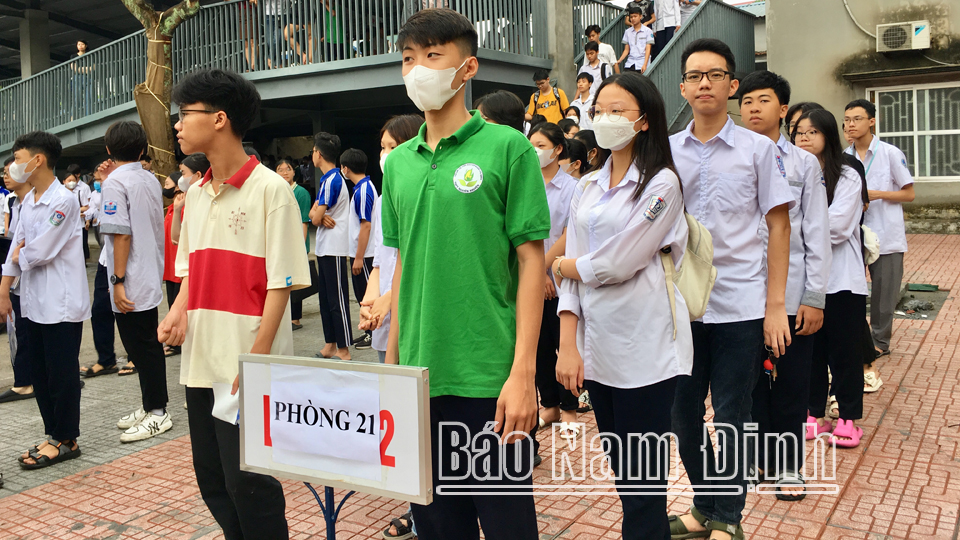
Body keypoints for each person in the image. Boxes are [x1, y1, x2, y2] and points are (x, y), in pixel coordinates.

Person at [382, 8, 550, 539]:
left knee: (507, 526)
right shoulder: (399, 164)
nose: (418, 70)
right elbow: (404, 264)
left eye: (433, 56)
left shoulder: (508, 148)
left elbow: (532, 261)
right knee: (437, 526)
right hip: (419, 378)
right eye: (409, 59)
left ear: (467, 67)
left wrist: (523, 374)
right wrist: (392, 369)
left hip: (489, 377)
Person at [159, 68, 309, 540]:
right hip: (201, 358)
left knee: (250, 484)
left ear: (220, 118)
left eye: (185, 114)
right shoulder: (196, 193)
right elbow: (192, 269)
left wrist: (257, 359)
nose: (178, 124)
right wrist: (178, 310)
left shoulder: (271, 189)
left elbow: (282, 284)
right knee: (213, 479)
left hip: (246, 363)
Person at [554, 71, 692, 540]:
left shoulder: (662, 184)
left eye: (618, 111)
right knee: (624, 473)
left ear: (644, 120)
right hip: (598, 348)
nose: (606, 119)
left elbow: (620, 262)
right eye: (599, 111)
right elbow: (577, 272)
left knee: (643, 483)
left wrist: (563, 265)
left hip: (646, 347)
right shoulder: (588, 186)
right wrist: (567, 344)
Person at [668, 39, 795, 540]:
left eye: (715, 75)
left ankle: (728, 517)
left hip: (740, 304)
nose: (704, 83)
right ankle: (705, 506)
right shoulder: (666, 151)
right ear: (682, 87)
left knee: (732, 415)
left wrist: (776, 306)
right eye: (694, 75)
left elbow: (779, 226)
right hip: (680, 306)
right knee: (682, 414)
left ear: (732, 85)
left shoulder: (759, 150)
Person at [739, 71, 830, 501]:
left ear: (783, 109)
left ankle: (790, 464)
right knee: (746, 384)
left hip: (792, 296)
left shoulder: (803, 164)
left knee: (792, 382)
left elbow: (817, 232)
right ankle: (755, 459)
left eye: (763, 100)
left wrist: (814, 297)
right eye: (747, 101)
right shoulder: (731, 158)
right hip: (741, 296)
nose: (754, 108)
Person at [0, 131, 91, 470]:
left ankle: (67, 439)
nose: (13, 165)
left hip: (60, 303)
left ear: (37, 160)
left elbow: (40, 251)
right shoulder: (28, 201)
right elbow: (18, 246)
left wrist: (22, 253)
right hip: (33, 301)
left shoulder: (62, 200)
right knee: (39, 373)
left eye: (18, 158)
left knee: (61, 374)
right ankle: (52, 433)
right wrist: (4, 288)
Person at [363, 114, 425, 540]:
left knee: (416, 418)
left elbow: (413, 266)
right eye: (382, 148)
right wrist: (371, 301)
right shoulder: (386, 194)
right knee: (398, 418)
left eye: (392, 147)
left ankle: (423, 512)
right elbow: (380, 262)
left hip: (410, 320)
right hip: (386, 318)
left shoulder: (421, 190)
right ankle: (417, 507)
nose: (385, 156)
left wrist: (390, 300)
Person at [796, 109, 868, 449]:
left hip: (842, 281)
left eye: (812, 132)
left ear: (827, 135)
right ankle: (814, 413)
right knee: (812, 352)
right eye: (798, 132)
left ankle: (848, 418)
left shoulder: (847, 174)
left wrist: (794, 229)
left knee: (845, 353)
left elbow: (837, 227)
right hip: (806, 280)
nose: (804, 138)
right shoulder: (791, 172)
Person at [97, 121, 171, 443]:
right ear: (143, 149)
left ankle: (158, 411)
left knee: (142, 347)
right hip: (148, 269)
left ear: (109, 149)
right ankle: (150, 404)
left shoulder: (116, 182)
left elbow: (121, 234)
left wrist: (118, 280)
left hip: (130, 275)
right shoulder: (148, 178)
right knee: (144, 345)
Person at [843, 99, 914, 360]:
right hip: (854, 234)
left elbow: (909, 194)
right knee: (850, 290)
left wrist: (876, 194)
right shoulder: (844, 157)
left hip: (886, 234)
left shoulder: (890, 153)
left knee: (884, 294)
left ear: (872, 121)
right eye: (847, 120)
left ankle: (880, 342)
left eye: (857, 119)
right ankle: (854, 340)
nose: (850, 124)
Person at [526, 121, 579, 438]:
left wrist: (544, 270)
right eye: (531, 144)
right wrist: (535, 274)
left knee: (565, 343)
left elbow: (569, 234)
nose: (535, 151)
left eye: (541, 145)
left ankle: (570, 407)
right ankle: (549, 404)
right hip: (531, 279)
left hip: (561, 277)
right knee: (539, 346)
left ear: (558, 149)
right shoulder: (526, 183)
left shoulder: (573, 188)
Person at [309, 132, 353, 360]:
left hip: (334, 247)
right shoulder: (330, 179)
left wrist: (318, 215)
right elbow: (314, 215)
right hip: (325, 247)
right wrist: (317, 214)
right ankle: (330, 344)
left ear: (318, 154)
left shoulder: (331, 180)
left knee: (337, 300)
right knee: (326, 299)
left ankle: (344, 348)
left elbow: (315, 217)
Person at [0, 161, 34, 404]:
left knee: (27, 331)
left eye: (11, 171)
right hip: (18, 280)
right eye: (4, 172)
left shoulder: (36, 203)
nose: (6, 176)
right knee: (20, 331)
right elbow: (13, 246)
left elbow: (21, 250)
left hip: (33, 280)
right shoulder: (16, 203)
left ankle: (26, 382)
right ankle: (24, 380)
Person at [341, 148, 376, 349]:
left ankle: (373, 333)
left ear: (346, 168)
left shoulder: (363, 191)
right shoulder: (363, 188)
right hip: (363, 253)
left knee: (367, 296)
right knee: (363, 294)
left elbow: (366, 225)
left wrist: (359, 257)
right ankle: (369, 331)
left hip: (366, 254)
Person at [276, 158, 316, 330]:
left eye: (288, 169)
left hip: (296, 241)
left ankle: (295, 319)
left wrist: (299, 246)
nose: (284, 173)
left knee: (295, 279)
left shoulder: (301, 193)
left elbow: (304, 222)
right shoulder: (277, 190)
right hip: (281, 242)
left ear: (294, 172)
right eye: (280, 169)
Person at [64, 164, 91, 262]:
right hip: (65, 224)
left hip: (79, 223)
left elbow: (87, 205)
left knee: (81, 244)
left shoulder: (81, 190)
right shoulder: (60, 193)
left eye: (73, 180)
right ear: (64, 181)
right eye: (69, 180)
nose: (71, 183)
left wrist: (86, 219)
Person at [618, 3, 655, 74]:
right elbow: (626, 50)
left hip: (642, 63)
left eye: (635, 16)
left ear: (640, 16)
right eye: (631, 17)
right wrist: (619, 60)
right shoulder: (627, 32)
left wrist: (645, 64)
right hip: (630, 63)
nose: (633, 19)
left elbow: (648, 49)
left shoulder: (647, 31)